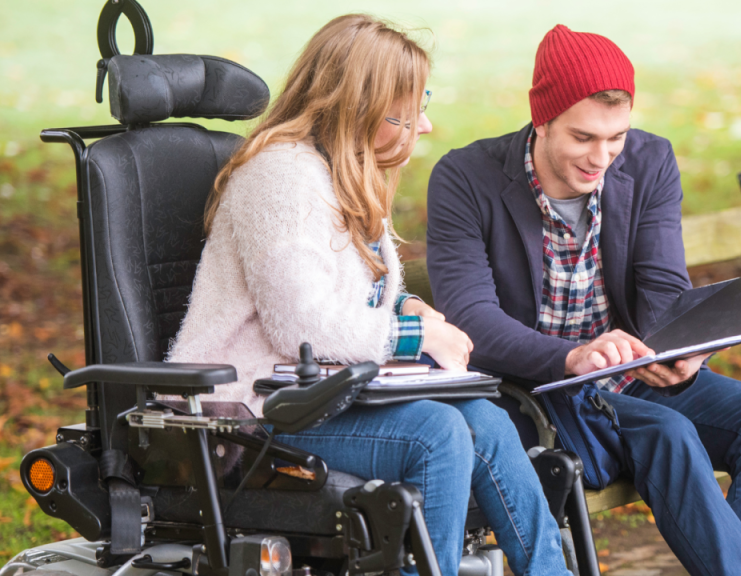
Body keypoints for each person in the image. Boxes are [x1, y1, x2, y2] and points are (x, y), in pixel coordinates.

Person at [168, 15, 570, 576]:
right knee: (438, 434)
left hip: (323, 394)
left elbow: (371, 293)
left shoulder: (346, 173)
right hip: (252, 411)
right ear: (357, 104)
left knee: (490, 421)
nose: (424, 126)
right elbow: (300, 327)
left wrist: (408, 308)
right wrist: (417, 335)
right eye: (406, 112)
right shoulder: (280, 176)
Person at [426, 24, 741, 576]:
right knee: (669, 433)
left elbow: (661, 288)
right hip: (539, 390)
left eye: (616, 137)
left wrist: (683, 346)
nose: (601, 156)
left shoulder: (650, 161)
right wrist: (572, 357)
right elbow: (472, 320)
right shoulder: (467, 178)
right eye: (582, 137)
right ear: (542, 118)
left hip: (633, 374)